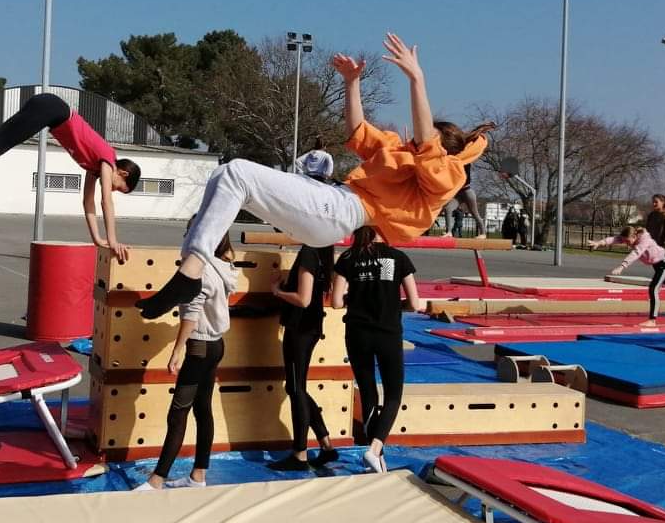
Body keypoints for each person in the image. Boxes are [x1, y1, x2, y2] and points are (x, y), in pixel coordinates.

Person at [137, 33, 492, 318]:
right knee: (225, 174)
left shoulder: (445, 176)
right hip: (329, 205)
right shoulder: (400, 151)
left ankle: (191, 274)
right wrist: (351, 83)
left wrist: (417, 79)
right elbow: (358, 132)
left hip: (341, 211)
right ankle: (190, 272)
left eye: (423, 138)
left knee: (238, 173)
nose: (413, 137)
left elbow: (427, 141)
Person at [0, 94, 141, 261]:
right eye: (119, 187)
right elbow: (105, 202)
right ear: (123, 173)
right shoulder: (107, 159)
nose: (113, 190)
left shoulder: (94, 167)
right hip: (52, 108)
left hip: (49, 109)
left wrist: (98, 239)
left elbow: (88, 203)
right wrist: (113, 240)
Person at [136, 229, 240, 491]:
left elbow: (191, 314)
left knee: (178, 412)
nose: (187, 236)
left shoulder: (201, 270)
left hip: (199, 348)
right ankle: (198, 476)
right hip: (216, 345)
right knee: (203, 409)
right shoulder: (223, 265)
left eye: (191, 232)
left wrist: (177, 350)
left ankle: (157, 479)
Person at [331, 226, 425, 473]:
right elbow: (415, 303)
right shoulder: (398, 257)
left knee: (368, 391)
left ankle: (376, 457)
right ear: (383, 229)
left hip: (357, 333)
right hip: (387, 333)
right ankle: (374, 449)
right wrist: (394, 305)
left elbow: (336, 302)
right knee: (393, 395)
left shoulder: (348, 257)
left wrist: (357, 299)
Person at [268, 243, 340, 472]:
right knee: (295, 387)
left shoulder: (309, 253)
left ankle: (300, 453)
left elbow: (303, 299)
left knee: (296, 388)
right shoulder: (323, 252)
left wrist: (278, 292)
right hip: (309, 327)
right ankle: (325, 444)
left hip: (300, 328)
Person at [587, 224, 665, 322]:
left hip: (663, 262)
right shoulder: (630, 237)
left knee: (653, 289)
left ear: (634, 236)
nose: (627, 244)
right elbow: (614, 239)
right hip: (657, 264)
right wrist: (599, 243)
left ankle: (652, 320)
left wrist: (622, 266)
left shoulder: (644, 239)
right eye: (625, 241)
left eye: (628, 241)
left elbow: (636, 252)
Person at [451, 164, 483, 237]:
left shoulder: (465, 166)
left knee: (475, 213)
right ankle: (449, 232)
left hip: (467, 191)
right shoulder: (460, 212)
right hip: (458, 192)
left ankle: (483, 233)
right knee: (448, 209)